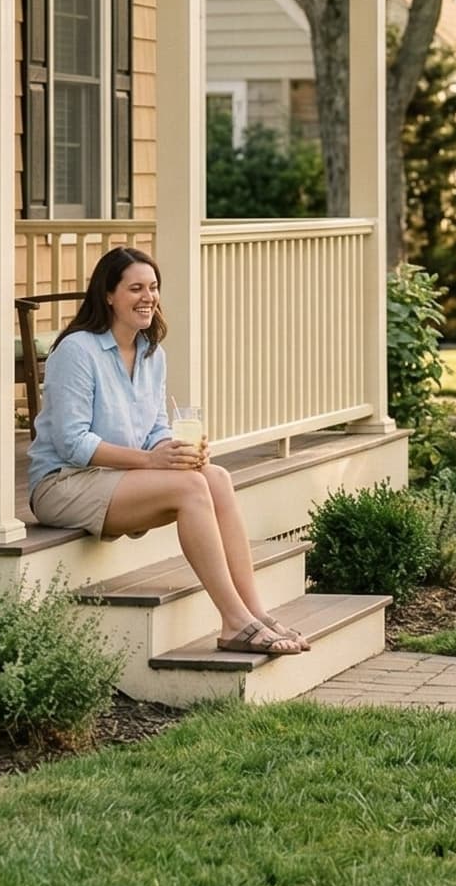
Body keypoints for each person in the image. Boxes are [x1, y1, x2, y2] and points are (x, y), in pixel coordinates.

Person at [26, 246, 309, 655]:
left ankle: (255, 612)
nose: (148, 297)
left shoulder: (151, 353)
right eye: (135, 288)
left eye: (153, 287)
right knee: (190, 488)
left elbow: (156, 428)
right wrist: (151, 460)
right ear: (108, 295)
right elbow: (72, 442)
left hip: (122, 479)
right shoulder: (77, 351)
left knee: (215, 477)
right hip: (64, 484)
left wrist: (177, 453)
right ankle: (233, 622)